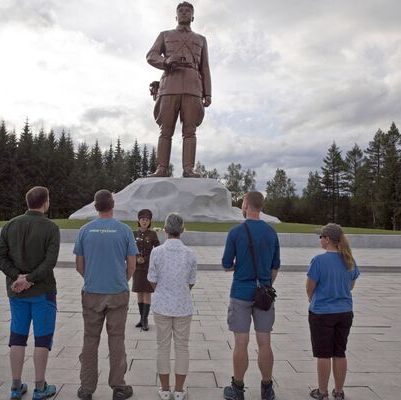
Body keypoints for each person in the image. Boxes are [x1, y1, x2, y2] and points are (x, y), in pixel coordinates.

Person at [0, 186, 60, 400]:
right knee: (42, 339)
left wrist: (17, 277)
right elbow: (50, 262)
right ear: (46, 202)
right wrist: (29, 279)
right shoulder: (51, 228)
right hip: (43, 292)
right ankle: (40, 388)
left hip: (16, 293)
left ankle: (15, 385)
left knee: (17, 337)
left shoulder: (10, 225)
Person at [73, 189, 138, 400]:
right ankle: (119, 386)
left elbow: (79, 265)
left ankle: (86, 388)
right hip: (117, 291)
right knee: (117, 338)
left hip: (92, 291)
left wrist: (92, 278)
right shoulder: (125, 230)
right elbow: (132, 264)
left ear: (95, 206)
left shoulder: (84, 230)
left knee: (90, 339)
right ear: (113, 206)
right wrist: (122, 280)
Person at [221, 191, 280, 400]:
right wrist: (264, 286)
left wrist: (239, 267)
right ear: (261, 206)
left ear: (245, 205)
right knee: (265, 341)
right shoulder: (272, 233)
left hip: (240, 293)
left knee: (241, 342)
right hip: (263, 294)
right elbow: (275, 268)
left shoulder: (236, 232)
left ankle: (237, 388)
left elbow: (226, 264)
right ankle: (267, 388)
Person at [146, 1, 211, 178]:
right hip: (169, 85)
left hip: (193, 86)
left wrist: (207, 93)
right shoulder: (164, 35)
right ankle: (161, 168)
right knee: (165, 129)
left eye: (187, 11)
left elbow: (205, 68)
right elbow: (151, 56)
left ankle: (188, 169)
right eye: (181, 11)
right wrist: (165, 62)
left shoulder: (201, 39)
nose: (184, 13)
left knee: (190, 131)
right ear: (176, 16)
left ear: (193, 17)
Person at [305, 223, 360, 400]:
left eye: (321, 236)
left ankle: (322, 392)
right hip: (345, 312)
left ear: (327, 239)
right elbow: (351, 286)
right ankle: (339, 391)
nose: (320, 239)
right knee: (339, 352)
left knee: (323, 354)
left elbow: (309, 287)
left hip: (322, 313)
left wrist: (312, 299)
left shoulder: (319, 261)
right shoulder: (349, 259)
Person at [147, 213, 197, 400]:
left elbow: (152, 279)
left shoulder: (156, 252)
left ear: (165, 229)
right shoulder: (190, 253)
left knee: (163, 347)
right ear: (182, 230)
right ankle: (179, 390)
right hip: (183, 305)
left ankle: (165, 389)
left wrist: (163, 290)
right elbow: (191, 281)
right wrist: (179, 290)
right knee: (182, 347)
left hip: (162, 305)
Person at [133, 209, 161, 331]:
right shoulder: (133, 234)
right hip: (137, 268)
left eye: (147, 220)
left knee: (147, 293)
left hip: (148, 267)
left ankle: (145, 319)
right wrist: (137, 257)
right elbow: (129, 248)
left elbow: (158, 250)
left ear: (150, 222)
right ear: (139, 221)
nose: (144, 222)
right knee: (139, 292)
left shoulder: (153, 234)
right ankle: (141, 318)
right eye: (142, 219)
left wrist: (145, 258)